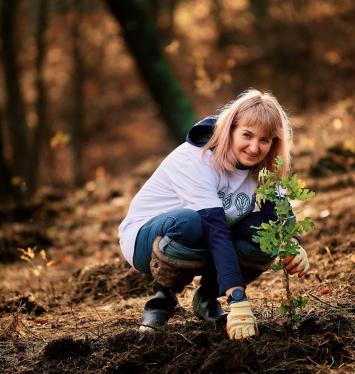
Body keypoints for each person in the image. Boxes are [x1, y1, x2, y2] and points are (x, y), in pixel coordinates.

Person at [118, 89, 310, 340]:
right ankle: (162, 301)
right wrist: (237, 297)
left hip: (206, 235)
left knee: (264, 232)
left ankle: (206, 297)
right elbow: (215, 229)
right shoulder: (197, 158)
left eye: (265, 140)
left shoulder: (265, 167)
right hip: (146, 238)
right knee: (192, 223)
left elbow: (277, 216)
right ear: (231, 129)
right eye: (247, 135)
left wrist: (292, 243)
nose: (254, 148)